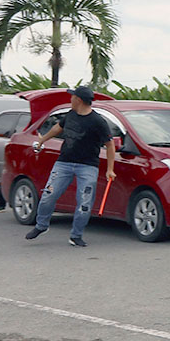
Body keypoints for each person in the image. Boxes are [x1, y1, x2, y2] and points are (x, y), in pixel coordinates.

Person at [24, 86, 115, 248]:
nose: (70, 99)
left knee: (84, 203)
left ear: (79, 100)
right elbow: (57, 128)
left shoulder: (98, 121)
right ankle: (41, 225)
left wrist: (110, 169)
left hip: (87, 166)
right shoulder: (70, 115)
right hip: (64, 163)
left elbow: (110, 145)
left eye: (72, 97)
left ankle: (76, 235)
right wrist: (42, 140)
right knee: (49, 195)